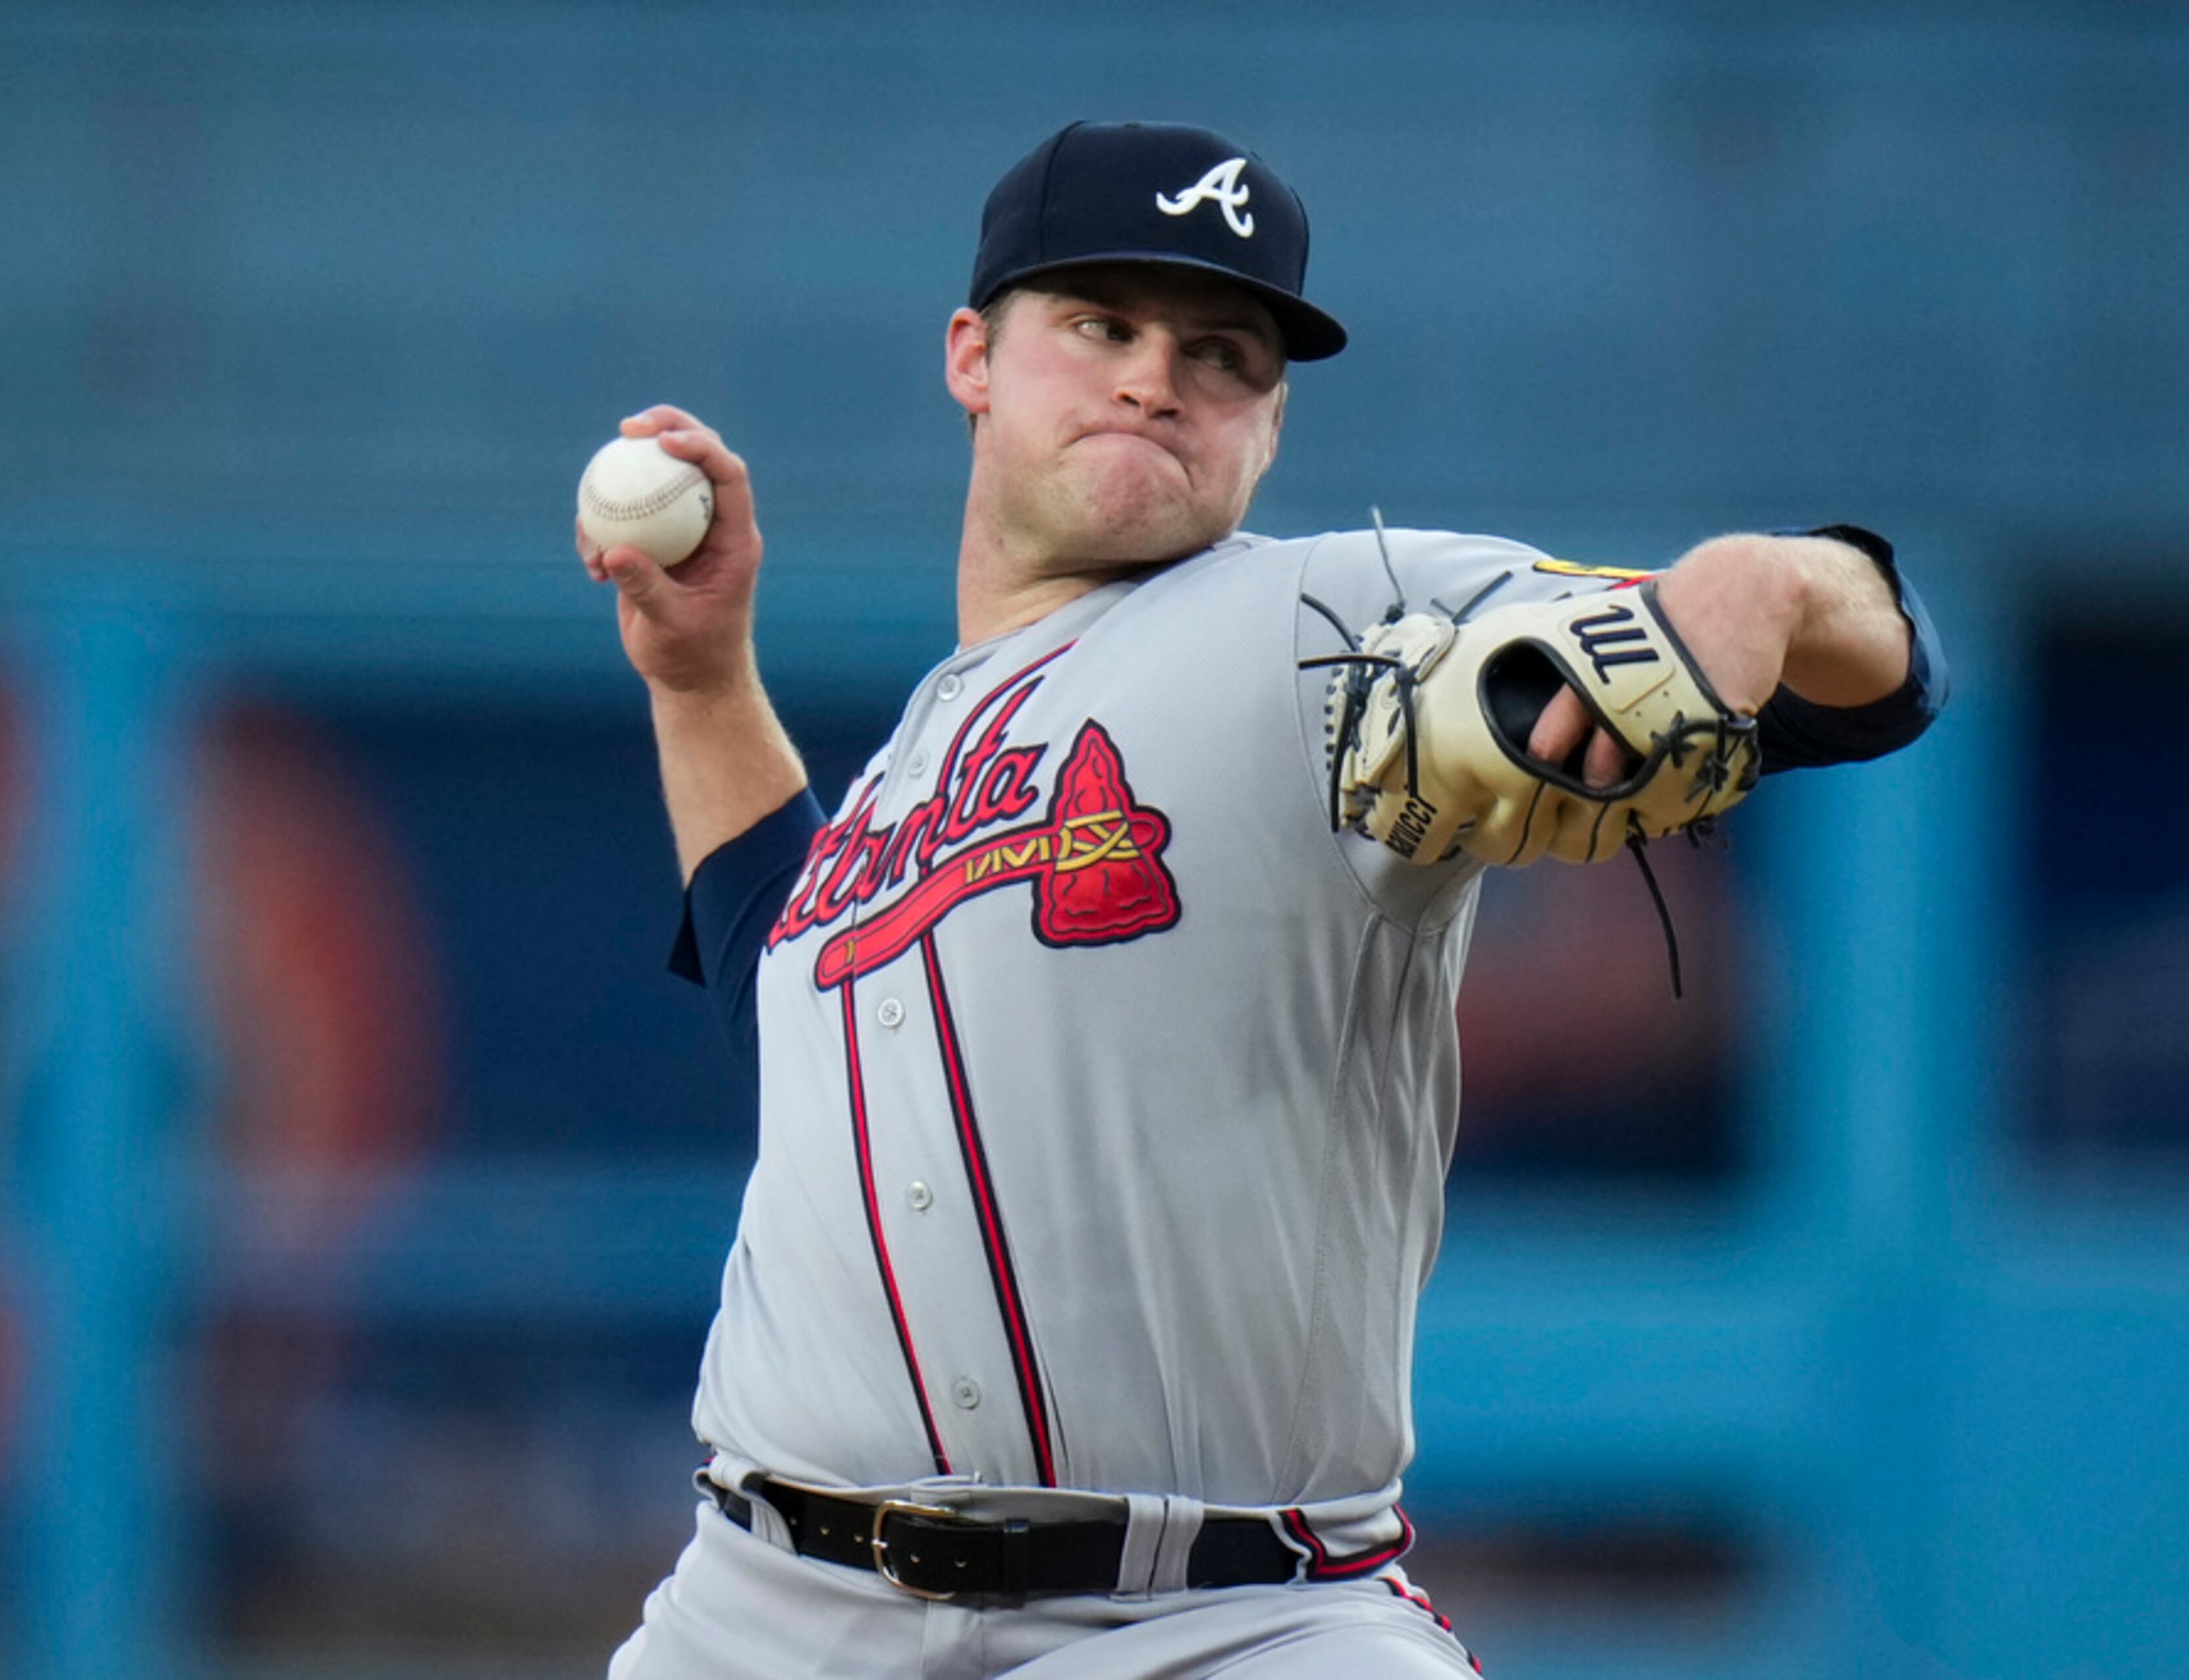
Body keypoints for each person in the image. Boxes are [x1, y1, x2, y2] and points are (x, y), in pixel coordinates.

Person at [581, 121, 1945, 1679]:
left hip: (1224, 1620)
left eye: (1220, 353)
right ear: (972, 355)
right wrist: (698, 682)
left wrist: (1769, 587)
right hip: (768, 1609)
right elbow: (799, 1025)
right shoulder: (912, 764)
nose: (1155, 378)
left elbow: (1891, 670)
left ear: (1271, 424)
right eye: (1099, 326)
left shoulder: (1323, 619)